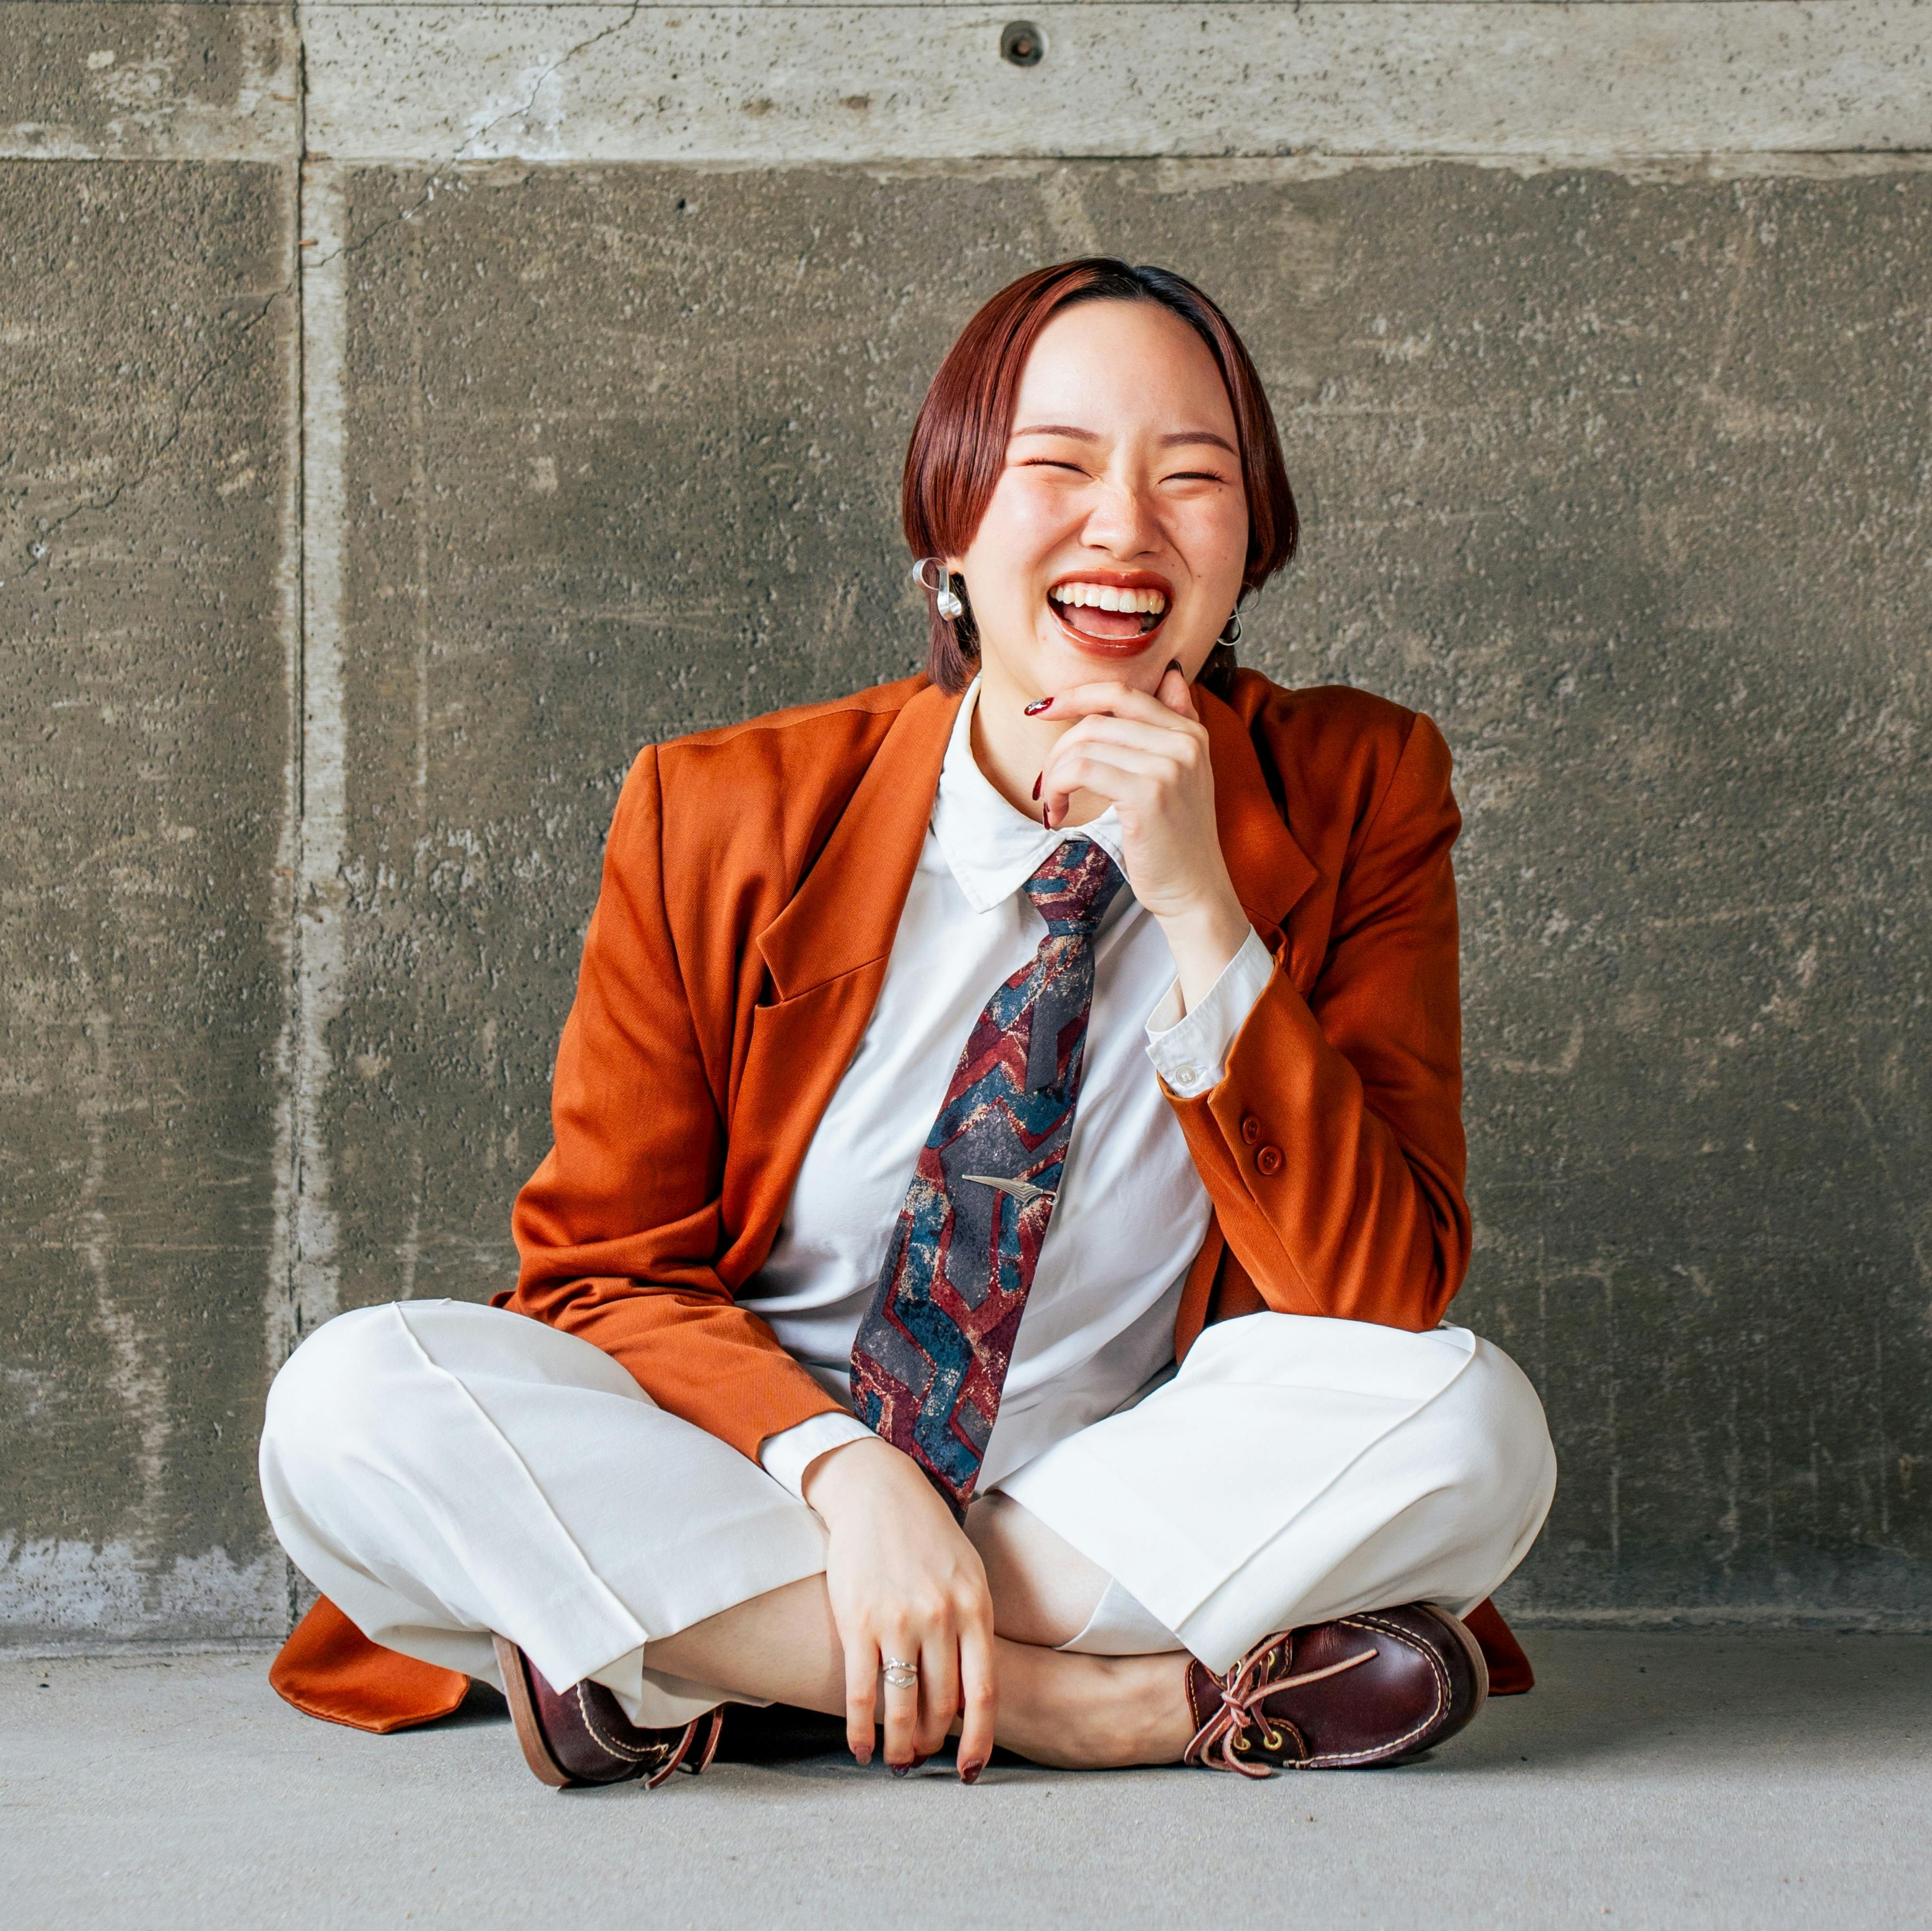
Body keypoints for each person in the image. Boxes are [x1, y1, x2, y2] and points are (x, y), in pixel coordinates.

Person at [259, 259, 1557, 1789]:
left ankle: (712, 1657)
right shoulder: (717, 809)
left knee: (1470, 1425)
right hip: (742, 1462)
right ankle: (1069, 1707)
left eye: (1191, 477)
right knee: (347, 1405)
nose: (1124, 528)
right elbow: (603, 1275)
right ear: (948, 528)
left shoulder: (1358, 786)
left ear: (1247, 542)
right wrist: (845, 1474)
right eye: (1057, 466)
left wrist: (1202, 905)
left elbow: (1375, 1297)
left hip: (1088, 1500)